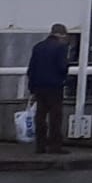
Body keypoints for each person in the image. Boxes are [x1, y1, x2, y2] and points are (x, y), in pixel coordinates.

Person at [26, 23, 72, 155]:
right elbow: (62, 67)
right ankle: (55, 146)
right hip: (54, 86)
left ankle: (40, 146)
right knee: (55, 117)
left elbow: (31, 69)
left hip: (38, 86)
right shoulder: (60, 48)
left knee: (40, 116)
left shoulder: (38, 47)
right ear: (61, 34)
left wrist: (32, 88)